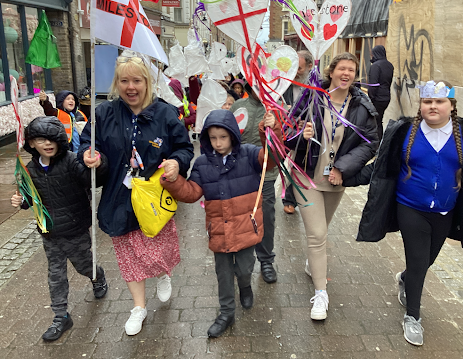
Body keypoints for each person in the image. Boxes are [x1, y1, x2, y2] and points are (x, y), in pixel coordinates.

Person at [349, 80, 463, 346]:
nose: (432, 106)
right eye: (427, 102)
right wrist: (345, 176)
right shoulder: (403, 131)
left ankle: (405, 278)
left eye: (439, 102)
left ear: (451, 106)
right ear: (421, 105)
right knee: (419, 262)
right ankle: (413, 317)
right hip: (410, 207)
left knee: (425, 261)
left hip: (446, 211)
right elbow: (381, 167)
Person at [78, 53, 194, 336]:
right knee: (129, 258)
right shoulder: (104, 113)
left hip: (153, 198)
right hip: (118, 197)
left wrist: (176, 162)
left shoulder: (165, 113)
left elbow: (185, 148)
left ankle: (164, 273)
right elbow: (86, 143)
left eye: (137, 80)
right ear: (117, 83)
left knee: (158, 251)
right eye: (124, 80)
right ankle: (139, 307)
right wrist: (89, 155)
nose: (131, 87)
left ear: (147, 83)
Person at [160, 109, 281, 338]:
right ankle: (226, 313)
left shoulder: (249, 154)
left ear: (233, 135)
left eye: (223, 137)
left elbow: (271, 159)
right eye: (213, 138)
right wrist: (173, 181)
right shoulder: (202, 164)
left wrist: (271, 130)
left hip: (246, 228)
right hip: (219, 230)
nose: (218, 143)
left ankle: (245, 286)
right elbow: (192, 192)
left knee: (244, 270)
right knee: (223, 274)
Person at [285, 52, 379, 320]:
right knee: (317, 235)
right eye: (342, 68)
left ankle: (313, 265)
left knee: (322, 232)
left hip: (335, 179)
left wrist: (343, 168)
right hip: (306, 177)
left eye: (351, 69)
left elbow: (370, 141)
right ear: (332, 71)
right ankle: (321, 294)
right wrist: (300, 136)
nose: (346, 73)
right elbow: (288, 135)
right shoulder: (311, 97)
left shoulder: (362, 105)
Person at [11, 116, 108, 342]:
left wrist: (96, 165)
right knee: (56, 275)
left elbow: (92, 179)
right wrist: (21, 201)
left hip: (75, 229)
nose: (47, 143)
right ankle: (61, 316)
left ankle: (97, 276)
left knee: (85, 265)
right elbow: (30, 199)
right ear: (31, 143)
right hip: (50, 233)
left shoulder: (72, 161)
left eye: (52, 139)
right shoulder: (30, 170)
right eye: (40, 139)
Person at [230, 82, 280, 283]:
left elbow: (283, 141)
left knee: (266, 216)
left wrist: (275, 125)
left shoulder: (276, 109)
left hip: (266, 174)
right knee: (239, 216)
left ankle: (266, 260)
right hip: (239, 173)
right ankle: (239, 259)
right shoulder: (238, 106)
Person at [282, 50, 314, 214]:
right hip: (286, 132)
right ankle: (289, 198)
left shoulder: (317, 86)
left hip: (306, 134)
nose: (295, 73)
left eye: (299, 69)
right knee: (289, 164)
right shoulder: (284, 84)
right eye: (293, 68)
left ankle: (291, 199)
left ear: (310, 66)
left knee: (297, 165)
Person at [368, 45, 394, 140]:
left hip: (377, 98)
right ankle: (379, 143)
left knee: (375, 122)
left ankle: (376, 143)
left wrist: (370, 98)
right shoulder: (389, 65)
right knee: (379, 121)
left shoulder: (376, 66)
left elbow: (373, 85)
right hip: (386, 96)